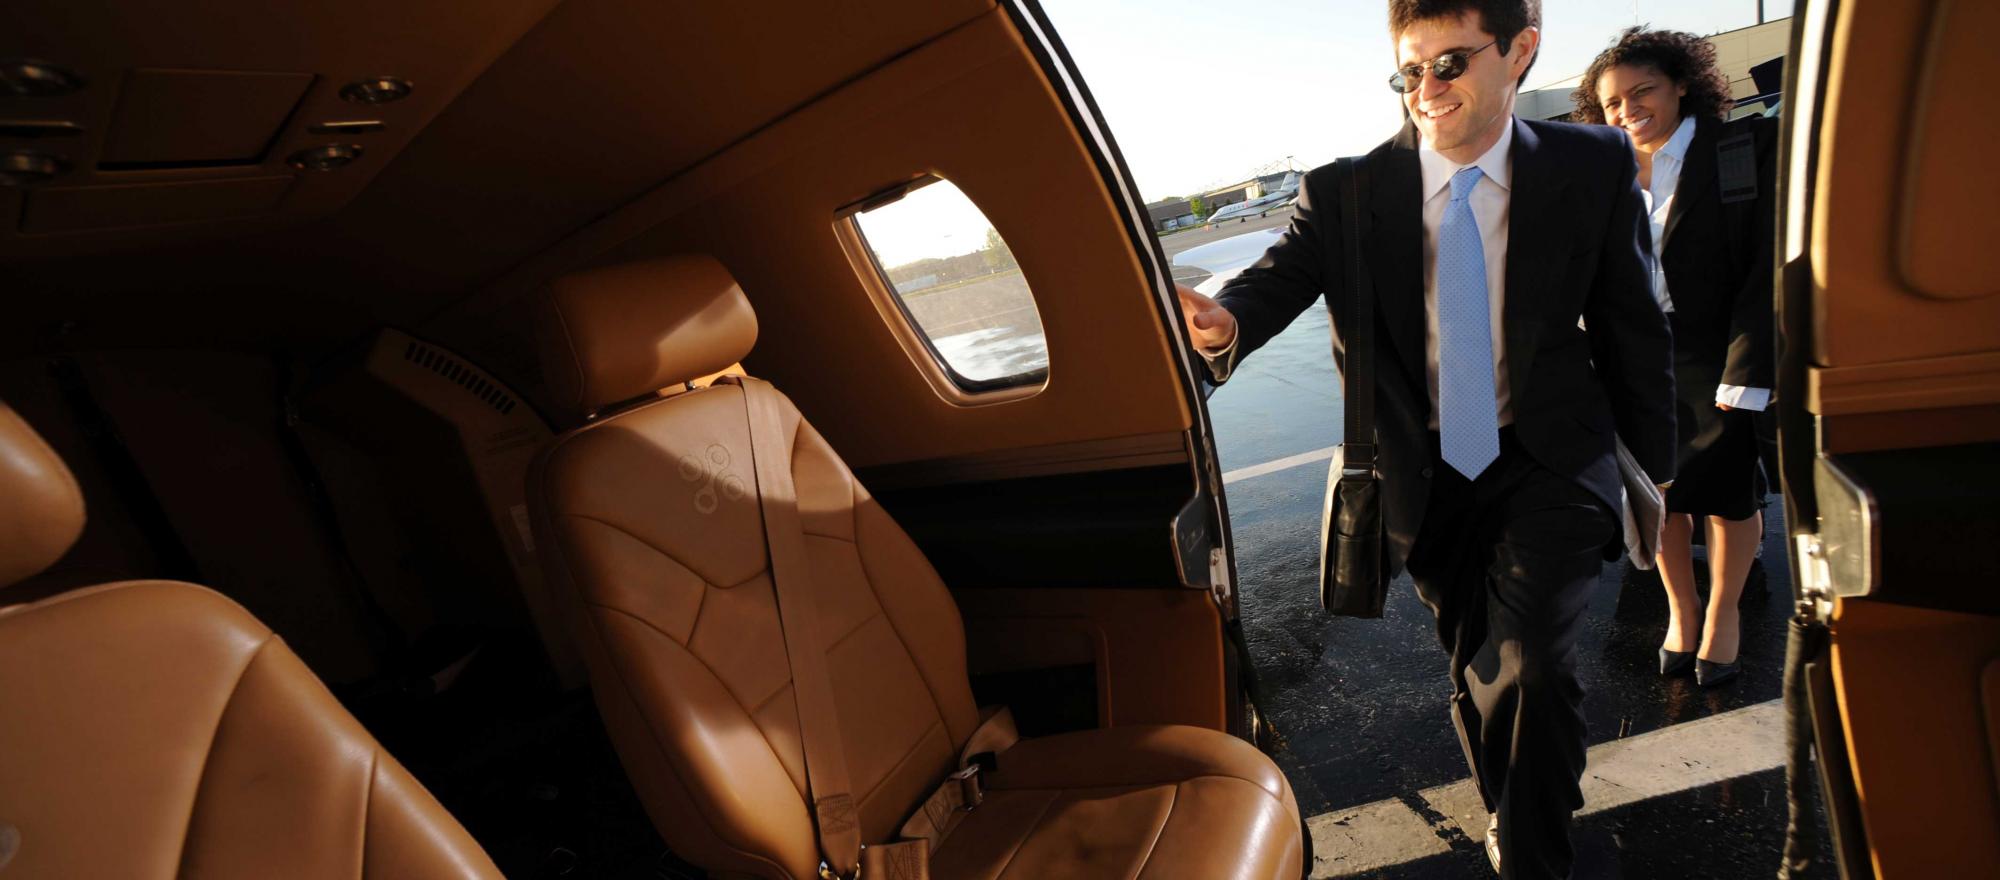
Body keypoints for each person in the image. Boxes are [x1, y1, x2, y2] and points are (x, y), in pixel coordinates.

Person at [1176, 2, 1675, 875]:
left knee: (1533, 665)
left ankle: (1534, 854)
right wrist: (1225, 325)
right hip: (1425, 473)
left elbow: (1632, 324)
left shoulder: (1591, 164)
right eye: (1410, 70)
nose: (1427, 88)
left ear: (1520, 51)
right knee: (1479, 666)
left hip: (1551, 456)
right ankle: (1513, 807)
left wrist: (1654, 470)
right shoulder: (1347, 192)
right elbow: (1271, 283)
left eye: (1451, 63)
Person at [1573, 28, 1778, 688]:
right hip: (1633, 360)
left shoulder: (1741, 148)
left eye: (1643, 92)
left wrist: (1748, 369)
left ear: (1681, 84)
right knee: (1657, 497)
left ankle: (1723, 613)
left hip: (1716, 355)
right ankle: (1682, 610)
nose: (1627, 110)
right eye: (1612, 102)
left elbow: (1768, 265)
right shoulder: (1600, 173)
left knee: (1726, 496)